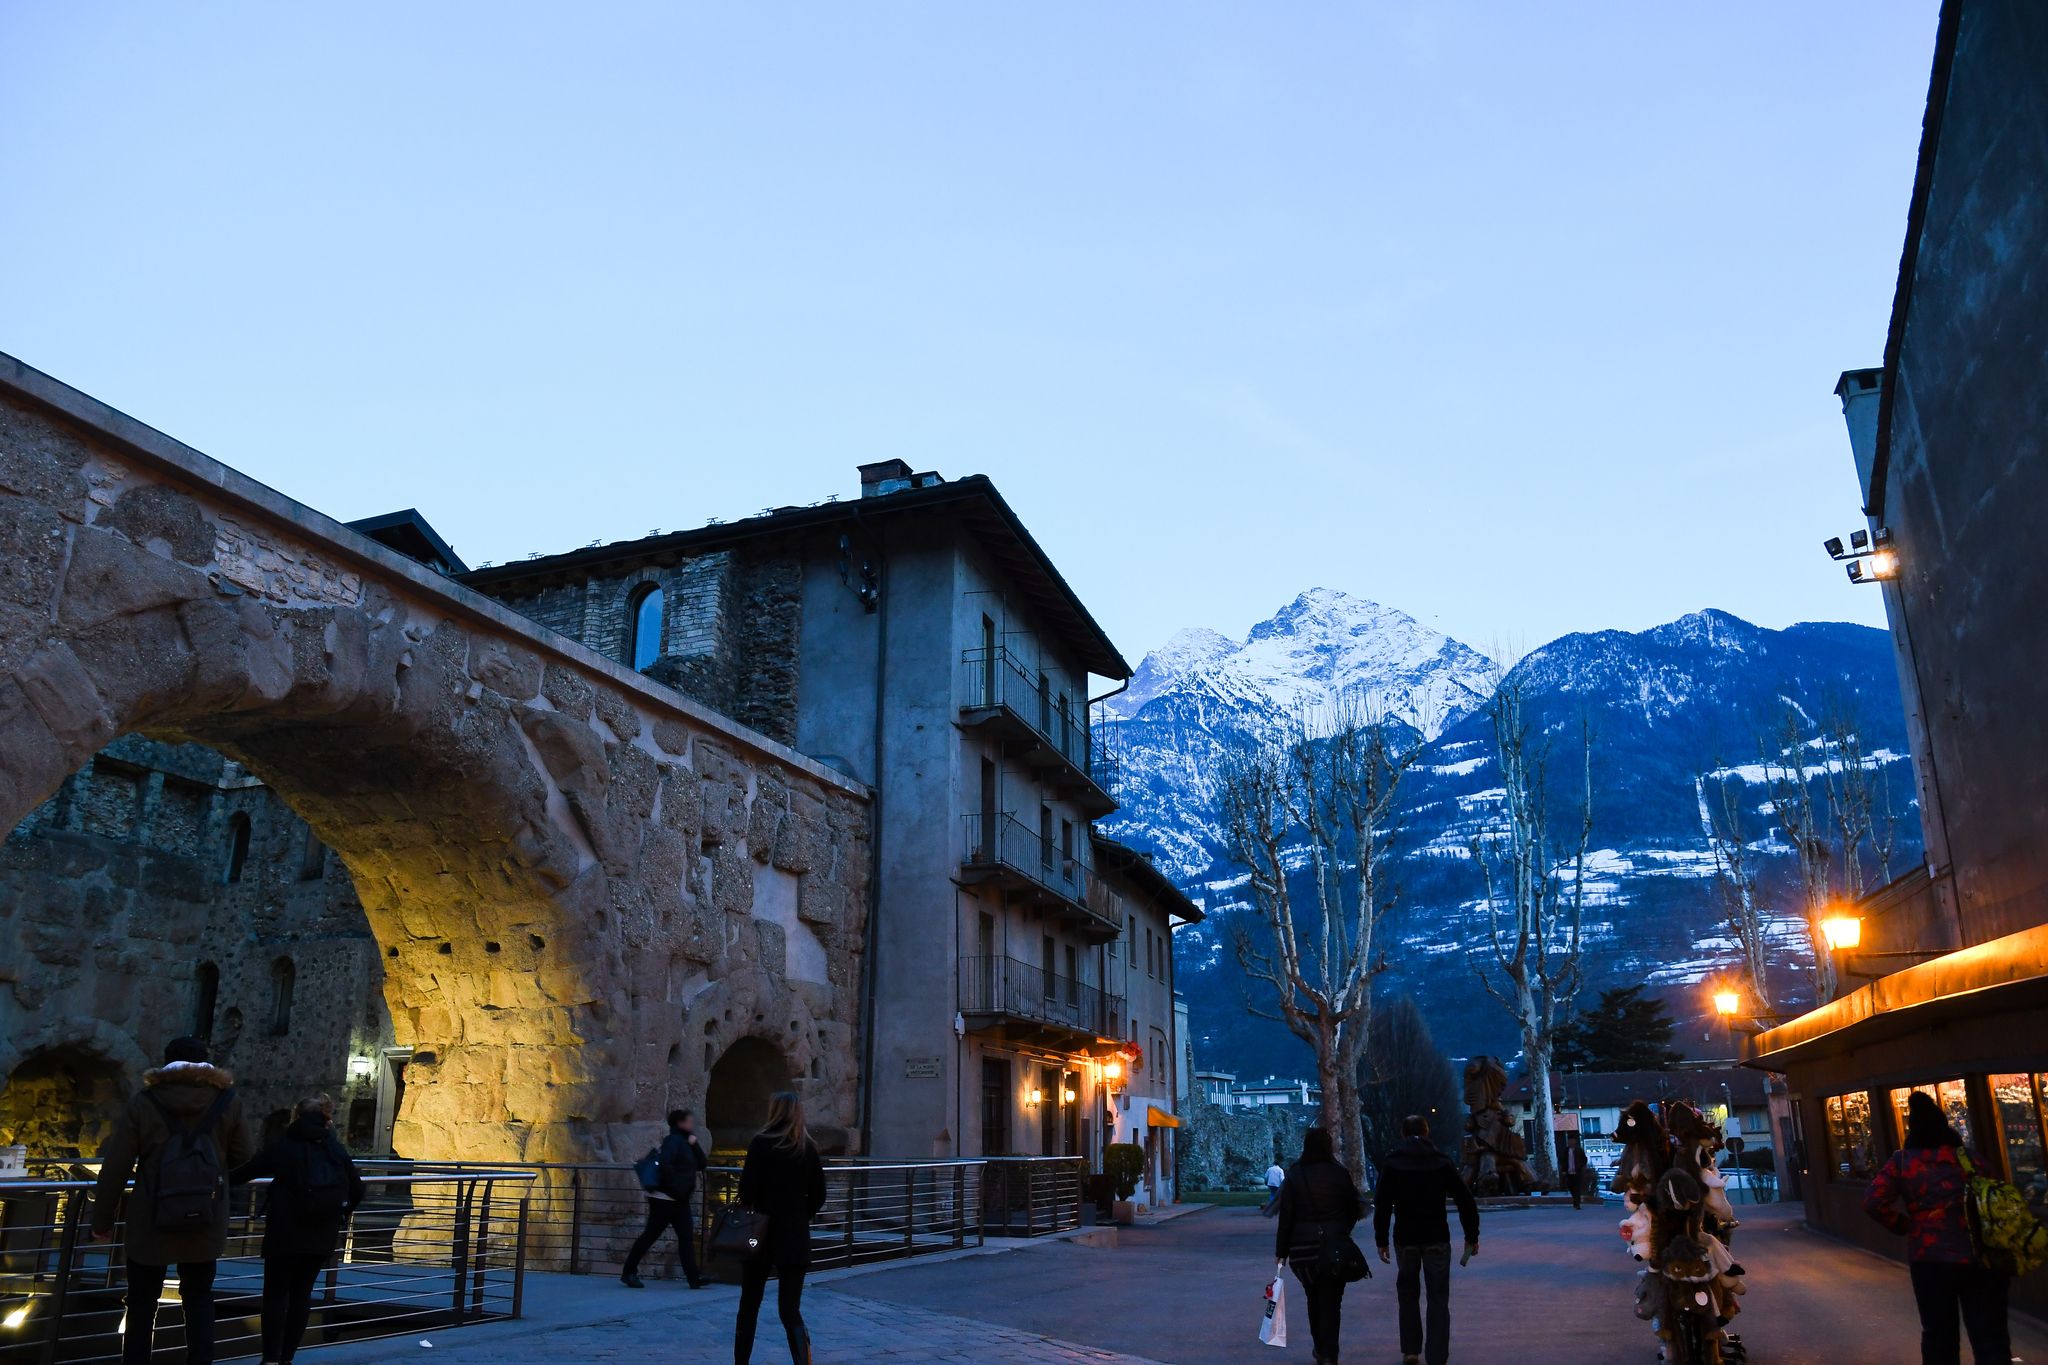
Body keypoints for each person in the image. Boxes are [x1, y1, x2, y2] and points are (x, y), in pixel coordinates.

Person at [90, 1036, 254, 1365]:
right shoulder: (228, 1101)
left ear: (167, 1062)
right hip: (204, 1219)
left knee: (140, 1302)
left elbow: (117, 1166)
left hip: (151, 1219)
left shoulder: (145, 1101)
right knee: (198, 1298)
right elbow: (244, 1157)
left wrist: (102, 1221)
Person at [1864, 1091, 2011, 1365]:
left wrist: (1905, 1224)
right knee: (1990, 1336)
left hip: (1929, 1259)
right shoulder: (1968, 1159)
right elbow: (1998, 1194)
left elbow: (1873, 1201)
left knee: (1938, 1335)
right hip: (1979, 1255)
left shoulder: (1904, 1162)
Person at [230, 1094, 365, 1365]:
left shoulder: (284, 1144)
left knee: (275, 1296)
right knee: (302, 1295)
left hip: (284, 1231)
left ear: (297, 1115)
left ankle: (270, 1359)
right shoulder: (334, 1148)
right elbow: (358, 1188)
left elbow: (246, 1171)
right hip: (320, 1234)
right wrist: (339, 1212)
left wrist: (215, 1181)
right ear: (327, 1117)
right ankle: (288, 1358)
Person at [1373, 1114, 1481, 1365]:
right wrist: (1471, 1236)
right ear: (1427, 1132)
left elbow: (1382, 1204)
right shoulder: (1441, 1161)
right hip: (1436, 1237)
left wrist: (1381, 1239)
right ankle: (1437, 1356)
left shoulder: (1393, 1162)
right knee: (1438, 1298)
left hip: (1406, 1237)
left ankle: (1411, 1350)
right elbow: (1465, 1200)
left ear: (1403, 1133)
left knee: (1408, 1295)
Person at [734, 1091, 827, 1365]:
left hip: (759, 1235)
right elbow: (819, 1194)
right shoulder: (806, 1148)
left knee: (749, 1305)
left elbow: (746, 1189)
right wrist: (799, 1214)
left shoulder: (760, 1144)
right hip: (794, 1235)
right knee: (790, 1310)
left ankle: (741, 1363)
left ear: (773, 1110)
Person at [1273, 1128, 1364, 1365]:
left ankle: (1320, 1348)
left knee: (1313, 1298)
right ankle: (1329, 1352)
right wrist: (1342, 1229)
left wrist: (1281, 1251)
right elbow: (1354, 1209)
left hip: (1303, 1250)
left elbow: (1287, 1217)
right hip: (1334, 1246)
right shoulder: (1339, 1173)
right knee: (1333, 1302)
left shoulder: (1295, 1174)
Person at [622, 1108, 708, 1289]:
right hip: (664, 1199)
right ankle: (629, 1272)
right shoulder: (672, 1141)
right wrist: (676, 1189)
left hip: (678, 1199)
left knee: (685, 1238)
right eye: (689, 1121)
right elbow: (666, 1166)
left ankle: (694, 1278)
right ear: (680, 1123)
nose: (692, 1124)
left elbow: (702, 1164)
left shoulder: (686, 1141)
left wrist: (695, 1144)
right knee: (651, 1235)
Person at [1563, 1133, 1588, 1210]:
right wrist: (1563, 1170)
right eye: (1569, 1141)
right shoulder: (1566, 1151)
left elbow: (1584, 1159)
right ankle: (1575, 1201)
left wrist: (1580, 1167)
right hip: (1569, 1172)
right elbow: (1563, 1161)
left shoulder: (1579, 1150)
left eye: (1571, 1141)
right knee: (1571, 1188)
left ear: (1575, 1141)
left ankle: (1577, 1204)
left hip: (1577, 1172)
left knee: (1577, 1188)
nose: (1570, 1142)